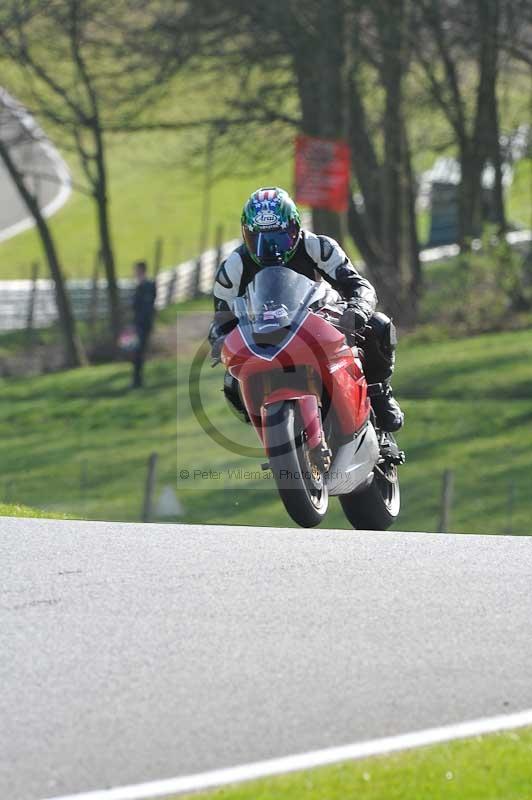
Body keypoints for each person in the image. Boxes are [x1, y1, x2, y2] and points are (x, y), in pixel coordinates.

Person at [208, 187, 403, 432]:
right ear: (245, 235)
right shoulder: (233, 267)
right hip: (263, 336)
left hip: (319, 324)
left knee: (378, 325)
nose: (271, 249)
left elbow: (358, 284)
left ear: (296, 228)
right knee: (230, 381)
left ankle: (379, 392)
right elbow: (221, 317)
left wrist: (358, 309)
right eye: (258, 239)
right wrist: (219, 339)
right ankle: (271, 428)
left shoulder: (318, 247)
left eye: (279, 237)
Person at [131, 260, 156, 389]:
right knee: (136, 353)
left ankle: (137, 381)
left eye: (136, 270)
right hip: (137, 325)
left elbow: (147, 307)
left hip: (143, 325)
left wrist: (142, 324)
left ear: (141, 270)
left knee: (138, 352)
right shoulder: (140, 286)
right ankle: (136, 379)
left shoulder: (147, 286)